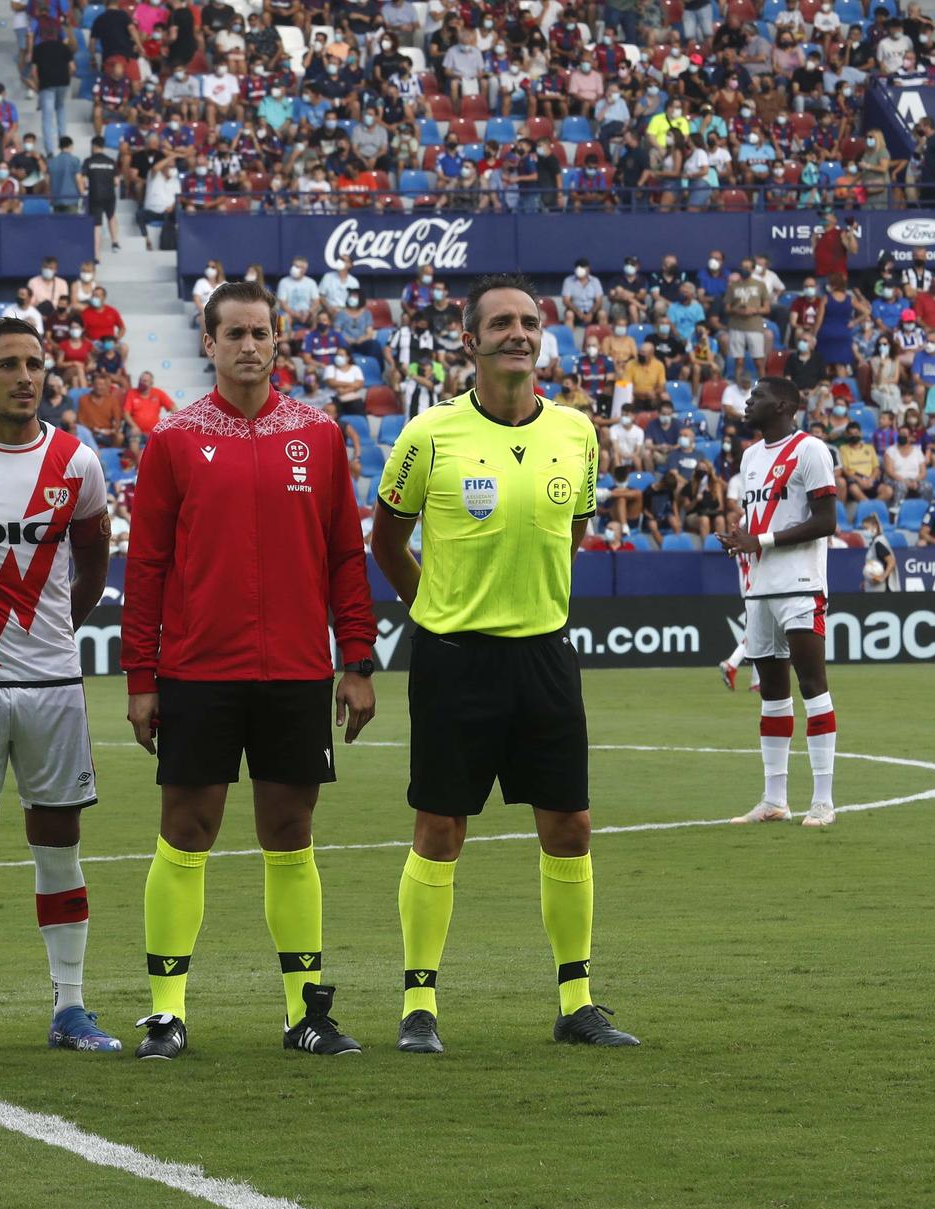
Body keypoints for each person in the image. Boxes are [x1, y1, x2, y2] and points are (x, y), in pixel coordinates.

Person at [369, 273, 640, 1055]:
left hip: (547, 655)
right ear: (470, 340)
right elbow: (386, 541)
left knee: (571, 825)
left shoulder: (578, 433)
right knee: (440, 828)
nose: (517, 333)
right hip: (455, 660)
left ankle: (577, 1002)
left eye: (528, 321)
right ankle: (419, 1005)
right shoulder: (428, 435)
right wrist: (436, 608)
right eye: (501, 323)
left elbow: (572, 531)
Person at [121, 279, 378, 1061]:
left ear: (277, 339)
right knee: (185, 831)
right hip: (199, 669)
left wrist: (357, 659)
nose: (248, 345)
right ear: (209, 343)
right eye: (232, 333)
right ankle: (166, 1012)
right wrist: (141, 676)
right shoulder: (172, 439)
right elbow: (148, 567)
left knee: (289, 833)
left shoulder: (321, 435)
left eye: (260, 332)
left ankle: (307, 1011)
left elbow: (345, 556)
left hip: (298, 670)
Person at [0, 317, 119, 1058]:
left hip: (52, 683)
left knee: (59, 839)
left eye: (35, 363)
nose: (25, 376)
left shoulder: (79, 462)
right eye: (7, 364)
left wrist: (56, 634)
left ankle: (70, 1007)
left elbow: (95, 562)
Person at [721, 377, 841, 828]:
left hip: (801, 583)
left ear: (785, 404)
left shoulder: (811, 450)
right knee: (772, 695)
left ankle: (823, 801)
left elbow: (827, 520)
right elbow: (756, 523)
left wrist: (761, 539)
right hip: (759, 588)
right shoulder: (751, 456)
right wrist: (739, 541)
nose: (749, 403)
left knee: (813, 686)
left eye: (758, 397)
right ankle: (774, 799)